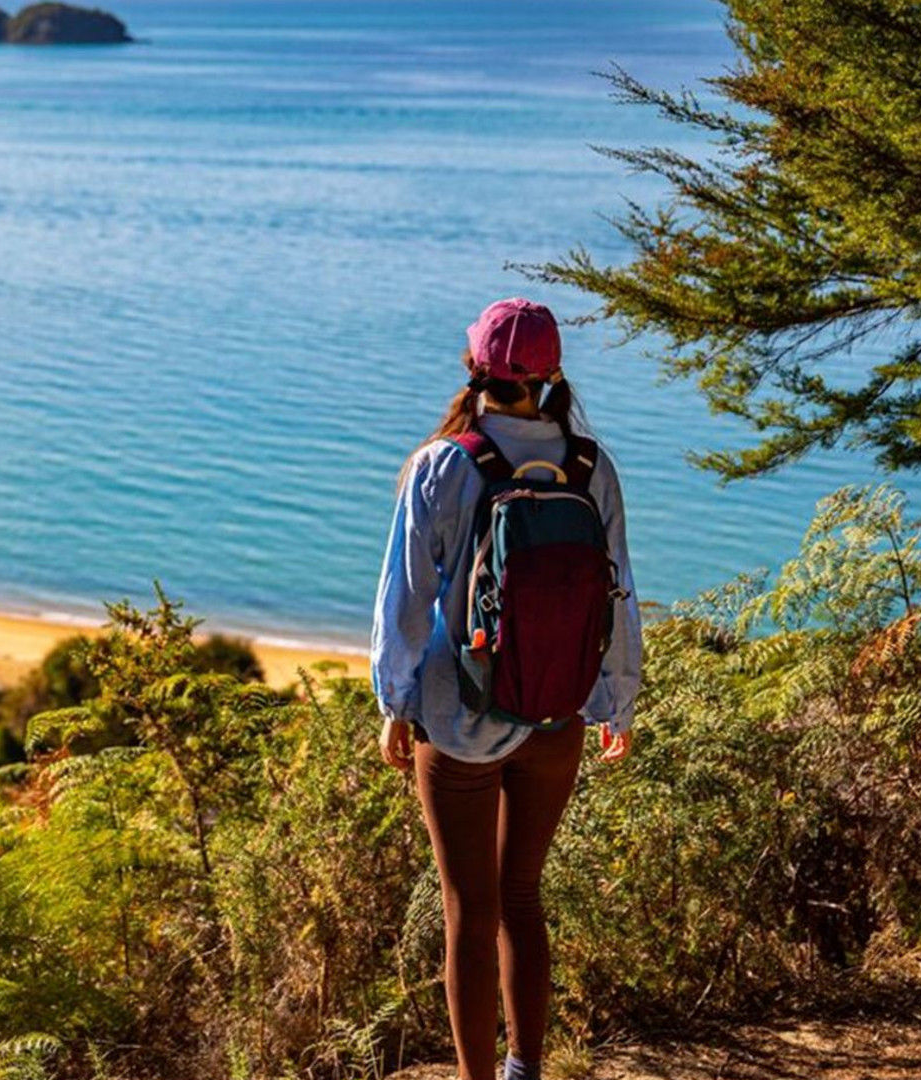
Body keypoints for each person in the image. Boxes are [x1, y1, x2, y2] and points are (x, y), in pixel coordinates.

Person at [370, 298, 640, 1080]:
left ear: (474, 368)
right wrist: (614, 701)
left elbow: (406, 602)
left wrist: (396, 703)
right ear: (553, 375)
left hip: (459, 720)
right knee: (522, 896)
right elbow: (618, 588)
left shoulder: (443, 465)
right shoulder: (591, 466)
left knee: (470, 912)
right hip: (556, 712)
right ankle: (527, 1068)